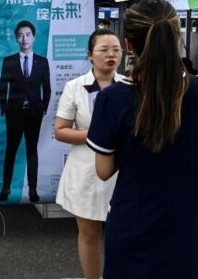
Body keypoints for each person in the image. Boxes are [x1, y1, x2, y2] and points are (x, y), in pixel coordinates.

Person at [87, 0, 198, 278]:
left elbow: (103, 170)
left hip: (131, 226)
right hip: (184, 228)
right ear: (177, 37)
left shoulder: (113, 98)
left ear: (128, 44)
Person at [54, 29, 124, 279]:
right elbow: (61, 131)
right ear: (90, 55)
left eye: (116, 49)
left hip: (122, 171)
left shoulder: (130, 87)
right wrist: (97, 134)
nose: (111, 55)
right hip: (85, 170)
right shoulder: (75, 87)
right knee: (90, 233)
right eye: (104, 50)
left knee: (123, 233)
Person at [0, 20, 51, 202]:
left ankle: (33, 190)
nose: (24, 38)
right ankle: (5, 188)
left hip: (34, 113)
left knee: (31, 150)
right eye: (20, 35)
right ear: (16, 38)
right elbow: (2, 87)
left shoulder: (42, 62)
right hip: (14, 113)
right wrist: (5, 108)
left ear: (34, 37)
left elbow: (47, 87)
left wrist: (43, 107)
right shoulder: (9, 61)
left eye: (28, 34)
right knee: (10, 150)